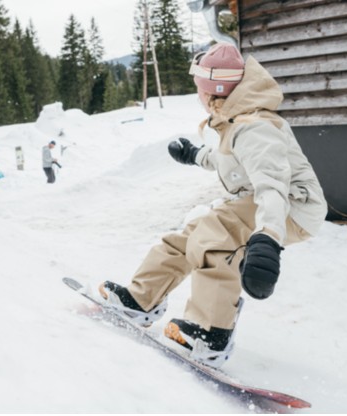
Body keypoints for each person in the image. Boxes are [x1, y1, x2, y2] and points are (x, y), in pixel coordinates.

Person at [98, 42, 328, 367]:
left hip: (291, 207)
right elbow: (231, 160)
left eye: (198, 90)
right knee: (189, 236)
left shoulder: (256, 127)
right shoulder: (236, 117)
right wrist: (194, 155)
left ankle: (212, 333)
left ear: (210, 92)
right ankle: (140, 299)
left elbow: (272, 187)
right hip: (259, 202)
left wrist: (268, 237)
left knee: (215, 237)